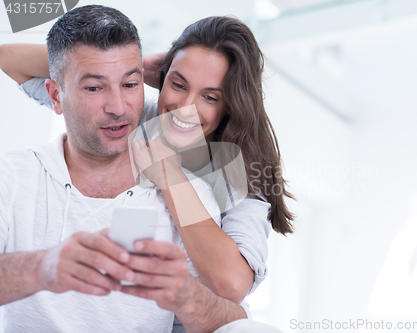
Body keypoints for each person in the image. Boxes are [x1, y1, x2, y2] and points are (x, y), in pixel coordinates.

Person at [0, 5, 283, 333]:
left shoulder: (238, 176)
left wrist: (168, 175)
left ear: (231, 105)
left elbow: (232, 286)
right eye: (177, 84)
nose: (185, 108)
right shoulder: (135, 116)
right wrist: (129, 69)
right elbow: (10, 59)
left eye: (209, 96)